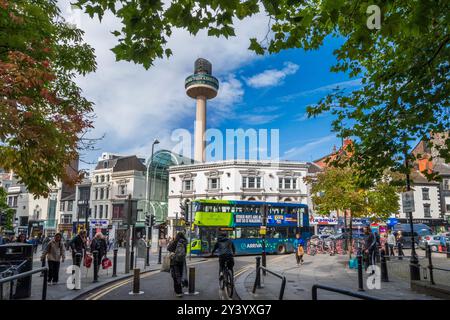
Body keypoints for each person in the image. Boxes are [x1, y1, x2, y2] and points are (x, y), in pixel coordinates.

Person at [167, 232, 187, 297]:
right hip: (181, 261)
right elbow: (185, 252)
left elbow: (168, 248)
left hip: (174, 262)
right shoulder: (184, 242)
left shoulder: (175, 242)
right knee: (180, 276)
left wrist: (171, 242)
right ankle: (179, 290)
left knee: (175, 277)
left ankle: (178, 291)